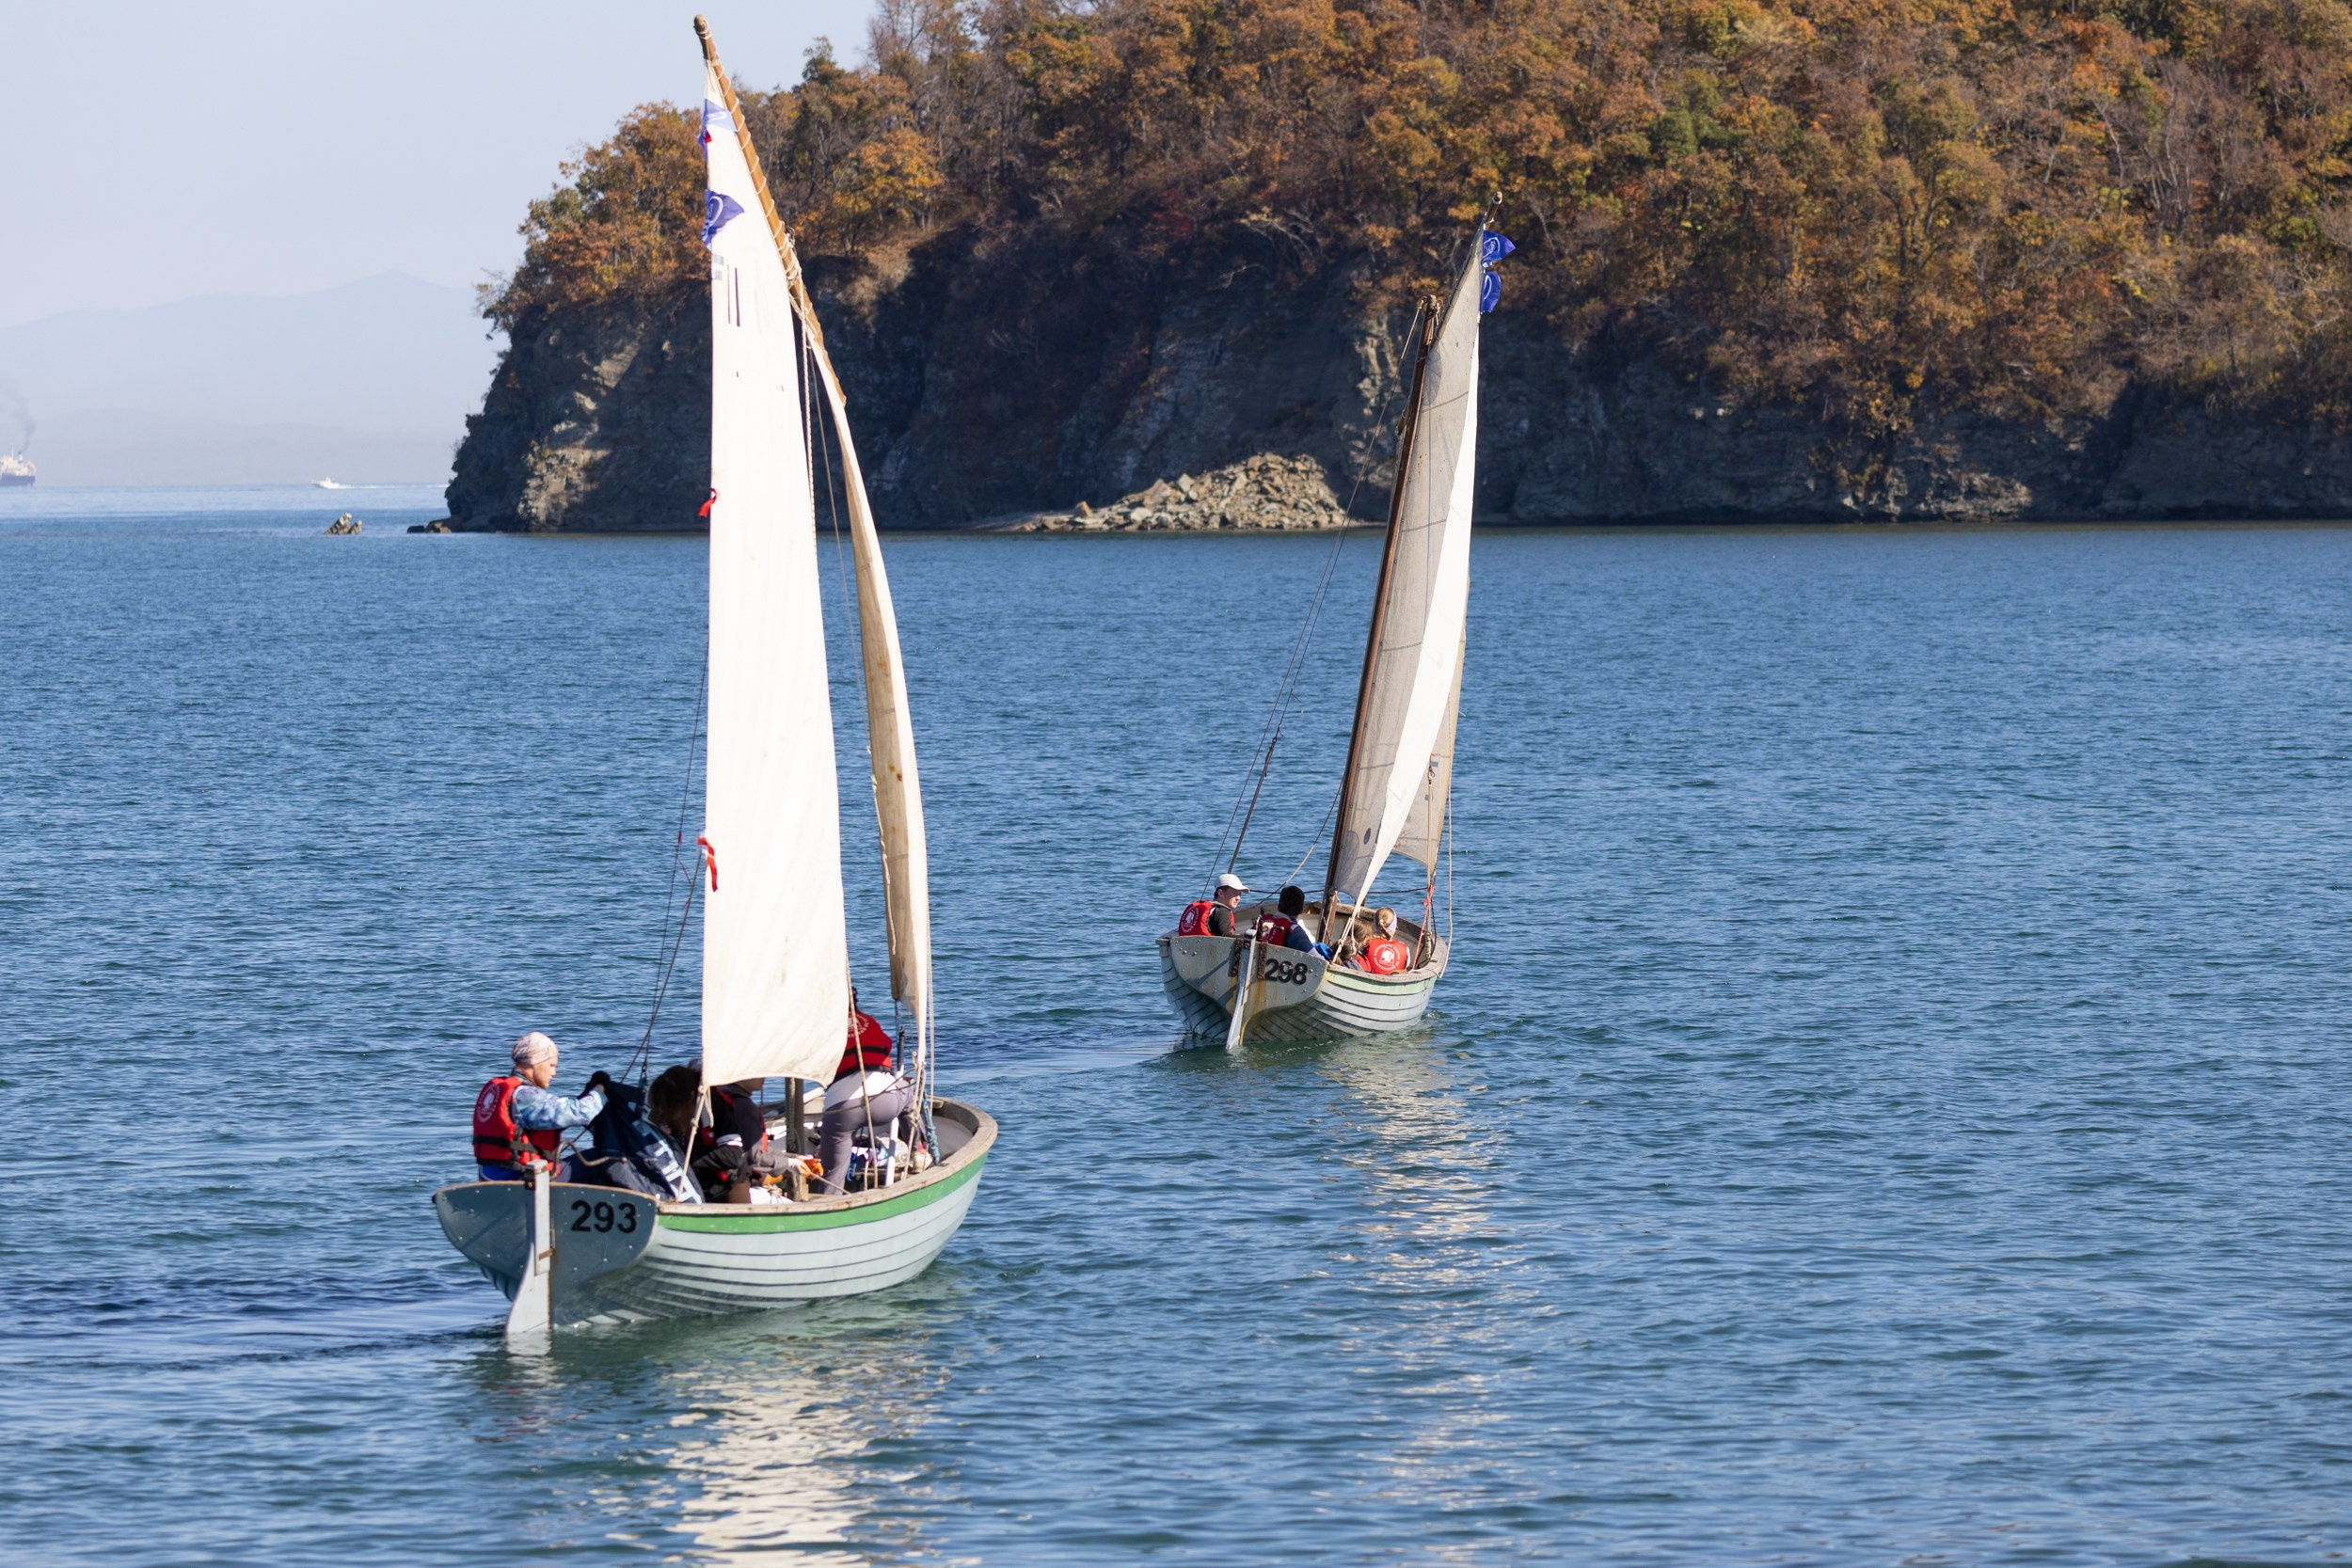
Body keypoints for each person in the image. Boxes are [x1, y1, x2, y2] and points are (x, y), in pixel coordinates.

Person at [471, 1031, 608, 1182]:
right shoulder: (526, 1096)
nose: (554, 1073)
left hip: (490, 1176)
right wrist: (600, 1092)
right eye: (551, 1065)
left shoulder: (498, 1089)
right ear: (536, 1062)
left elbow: (549, 1119)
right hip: (523, 1180)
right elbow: (580, 1113)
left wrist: (584, 1096)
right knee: (603, 1158)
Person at [818, 994, 915, 1196]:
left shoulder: (821, 1030)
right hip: (884, 1102)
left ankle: (828, 1204)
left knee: (833, 1175)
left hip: (840, 1109)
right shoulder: (869, 1021)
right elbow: (886, 1047)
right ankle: (918, 1150)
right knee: (908, 1086)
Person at [1177, 872, 1248, 938]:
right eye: (1235, 893)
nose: (1238, 898)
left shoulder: (1208, 908)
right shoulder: (1223, 911)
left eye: (1240, 894)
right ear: (1220, 893)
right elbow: (1226, 939)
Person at [1256, 885, 1321, 954]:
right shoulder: (1294, 931)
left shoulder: (1260, 921)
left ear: (1278, 906)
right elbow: (1318, 960)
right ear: (1301, 910)